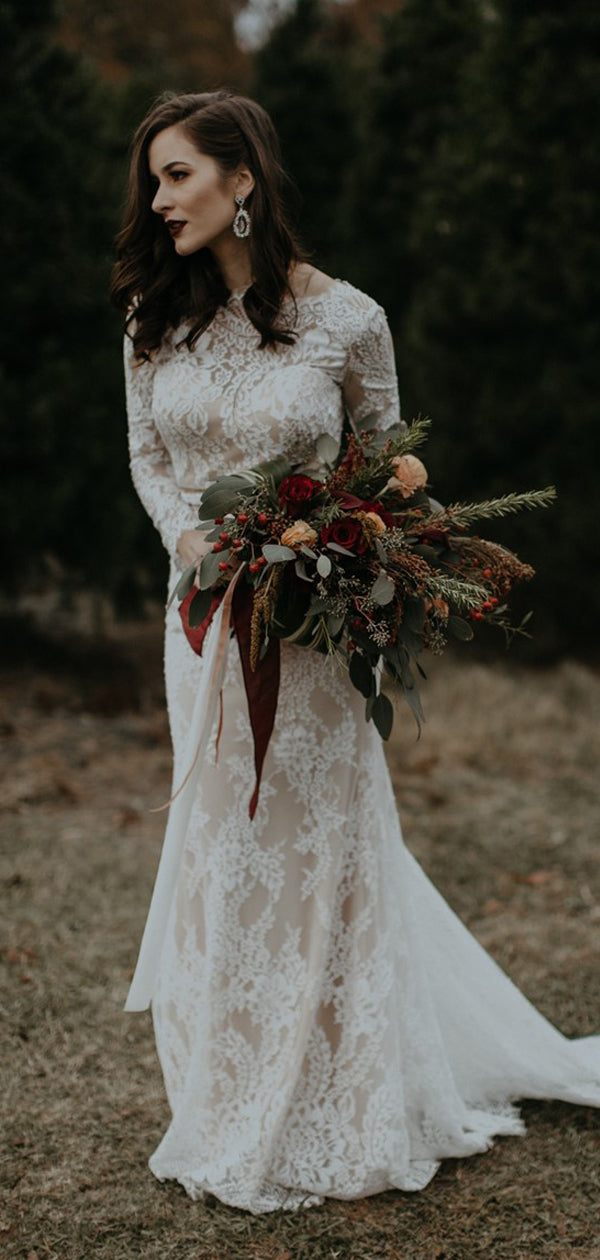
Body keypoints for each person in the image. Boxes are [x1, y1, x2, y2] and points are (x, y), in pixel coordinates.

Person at [111, 89, 600, 1216]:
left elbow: (386, 471)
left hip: (316, 637)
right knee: (224, 846)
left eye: (177, 174)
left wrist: (341, 556)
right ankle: (229, 1091)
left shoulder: (349, 320)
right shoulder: (151, 317)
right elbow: (147, 456)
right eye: (153, 180)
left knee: (315, 847)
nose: (159, 199)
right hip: (206, 623)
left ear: (242, 180)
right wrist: (188, 538)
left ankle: (338, 1095)